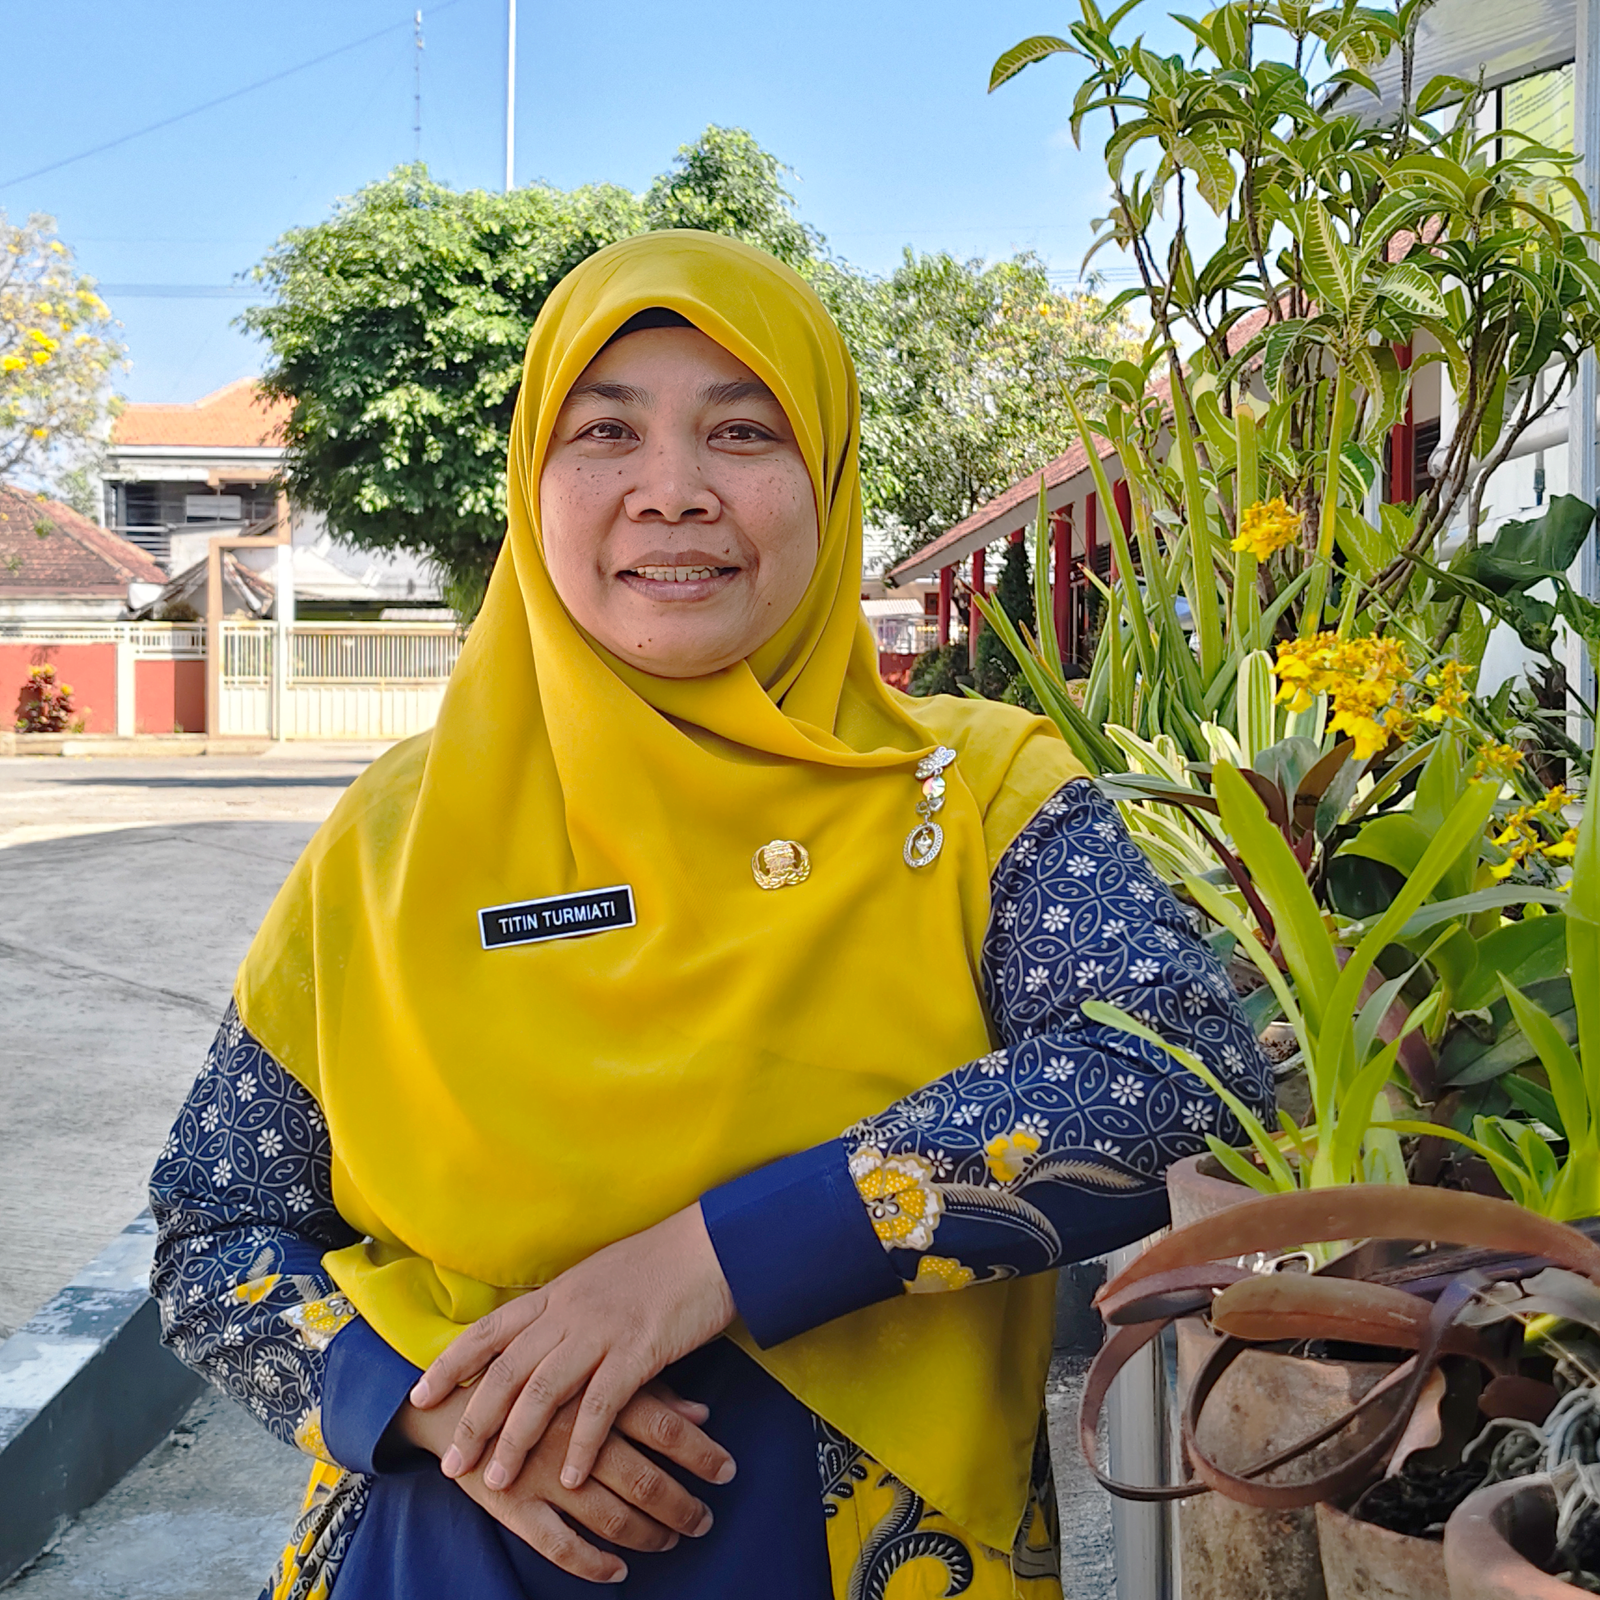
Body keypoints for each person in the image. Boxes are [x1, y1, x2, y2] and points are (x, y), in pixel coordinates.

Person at [150, 231, 1272, 1600]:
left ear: (828, 479)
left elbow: (1174, 1072)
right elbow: (215, 1229)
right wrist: (438, 1409)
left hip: (865, 1556)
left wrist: (708, 1262)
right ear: (530, 484)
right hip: (440, 1545)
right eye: (604, 433)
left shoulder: (976, 792)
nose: (672, 491)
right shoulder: (389, 841)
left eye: (743, 432)